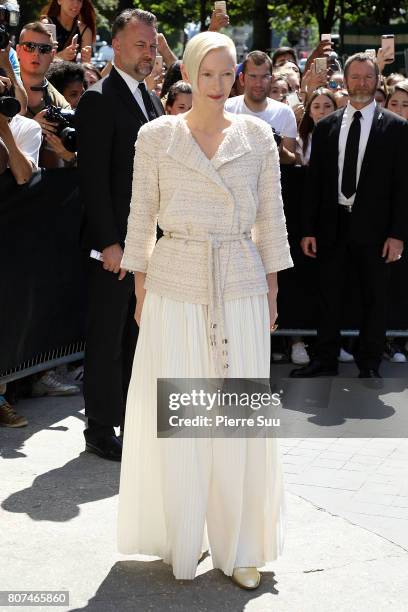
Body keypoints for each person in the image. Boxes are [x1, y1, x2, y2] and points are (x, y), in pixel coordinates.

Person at [117, 31, 292, 588]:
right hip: (175, 281)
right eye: (208, 74)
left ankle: (240, 545)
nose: (219, 85)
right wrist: (141, 288)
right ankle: (184, 535)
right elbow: (141, 215)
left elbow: (272, 219)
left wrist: (271, 289)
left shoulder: (259, 136)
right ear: (189, 75)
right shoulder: (156, 136)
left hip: (239, 281)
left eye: (228, 73)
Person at [75, 9, 164, 461]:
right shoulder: (98, 98)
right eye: (139, 45)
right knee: (107, 339)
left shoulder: (151, 100)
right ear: (116, 47)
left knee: (137, 338)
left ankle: (133, 419)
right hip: (115, 248)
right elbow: (92, 179)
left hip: (149, 247)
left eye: (152, 46)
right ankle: (99, 427)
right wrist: (109, 243)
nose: (148, 53)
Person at [291, 53, 408, 380]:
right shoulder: (327, 126)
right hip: (332, 225)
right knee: (328, 296)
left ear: (377, 81)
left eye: (367, 77)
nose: (360, 83)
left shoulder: (398, 128)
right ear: (345, 80)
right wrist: (308, 229)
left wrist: (397, 234)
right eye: (354, 77)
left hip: (376, 230)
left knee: (375, 298)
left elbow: (403, 187)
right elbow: (314, 184)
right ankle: (324, 359)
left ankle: (370, 363)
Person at [225, 50, 297, 164]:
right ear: (242, 79)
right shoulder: (226, 109)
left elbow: (292, 160)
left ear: (272, 79)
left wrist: (278, 149)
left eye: (264, 77)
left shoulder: (285, 113)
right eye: (253, 76)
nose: (258, 83)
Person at [296, 87, 337, 166]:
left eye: (327, 106)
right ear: (310, 112)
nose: (322, 111)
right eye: (316, 107)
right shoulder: (301, 140)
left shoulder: (343, 136)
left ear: (335, 110)